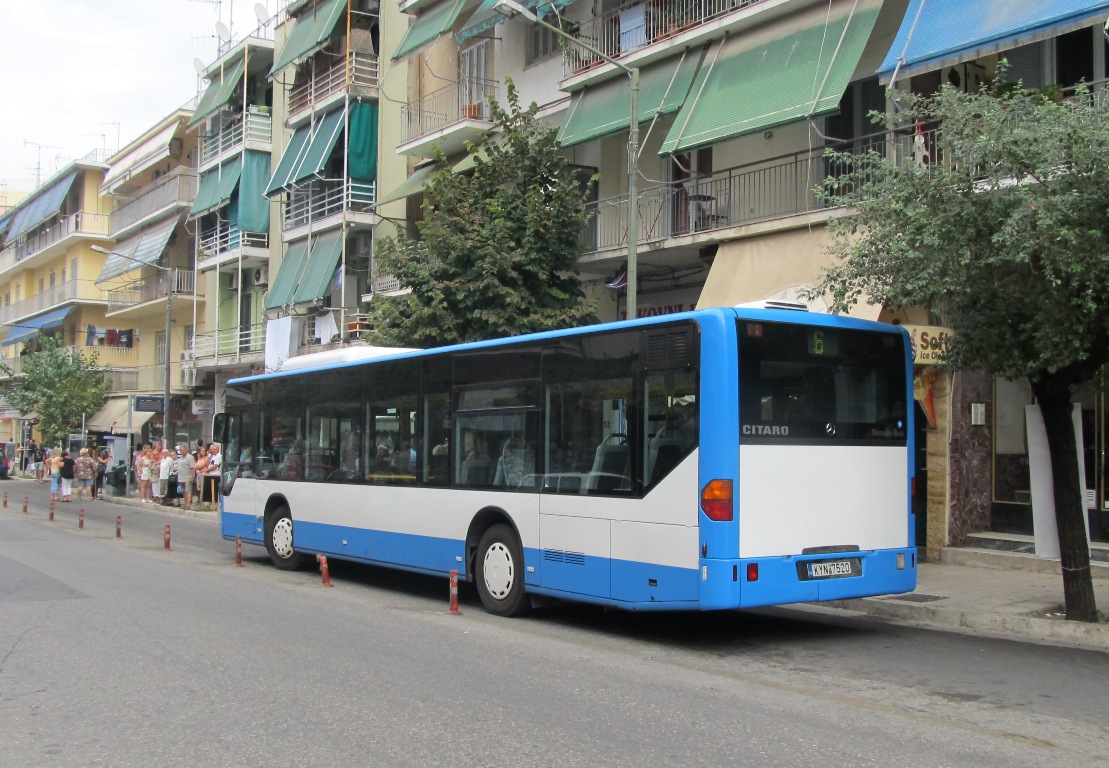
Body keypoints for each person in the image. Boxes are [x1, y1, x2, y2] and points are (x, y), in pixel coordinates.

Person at [176, 444, 196, 509]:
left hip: (187, 477)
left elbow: (192, 468)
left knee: (188, 491)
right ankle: (185, 503)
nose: (182, 451)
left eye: (183, 450)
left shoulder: (190, 457)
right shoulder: (181, 458)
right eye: (181, 450)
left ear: (186, 450)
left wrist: (191, 476)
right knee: (184, 491)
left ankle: (188, 504)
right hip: (181, 477)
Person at [203, 443, 222, 510]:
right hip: (211, 474)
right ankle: (210, 504)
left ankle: (215, 505)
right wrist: (209, 456)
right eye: (213, 449)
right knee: (210, 490)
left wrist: (207, 470)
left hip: (216, 475)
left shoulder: (219, 456)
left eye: (215, 449)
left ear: (218, 450)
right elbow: (209, 463)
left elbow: (215, 466)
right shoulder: (212, 456)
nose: (213, 451)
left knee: (215, 490)